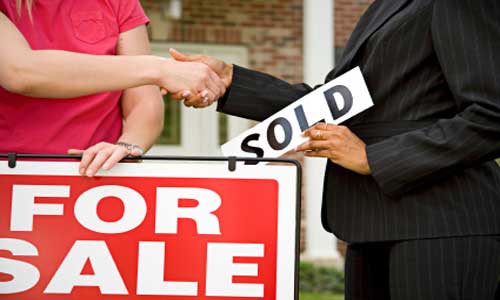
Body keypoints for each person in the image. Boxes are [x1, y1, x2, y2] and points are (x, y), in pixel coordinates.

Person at [170, 0, 500, 299]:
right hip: (369, 221)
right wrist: (231, 80)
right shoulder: (387, 7)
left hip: (442, 224)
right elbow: (333, 104)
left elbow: (491, 115)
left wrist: (374, 158)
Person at [0, 0, 225, 177]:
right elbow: (20, 71)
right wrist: (160, 69)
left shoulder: (118, 3)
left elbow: (145, 103)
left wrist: (127, 146)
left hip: (95, 178)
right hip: (11, 179)